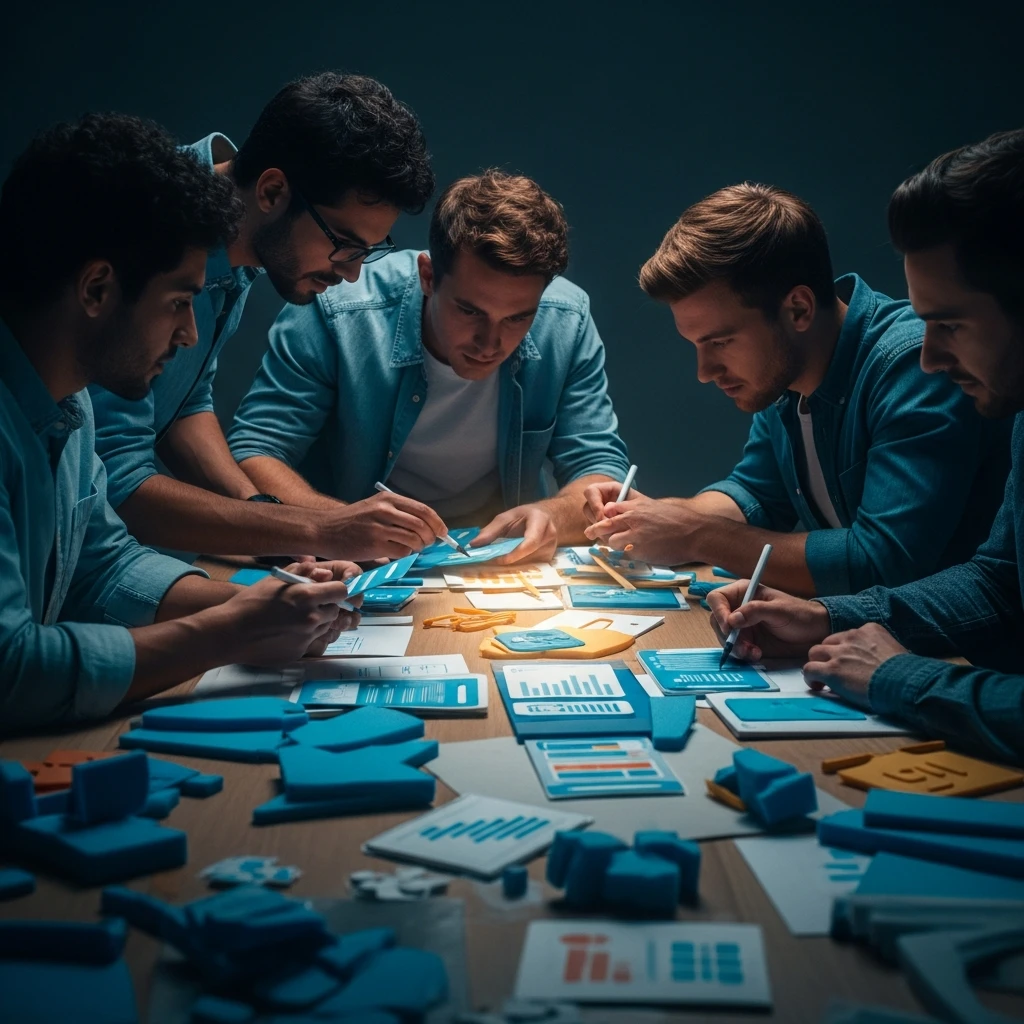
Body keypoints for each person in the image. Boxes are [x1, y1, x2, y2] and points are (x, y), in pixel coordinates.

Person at [0, 114, 359, 734]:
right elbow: (12, 670)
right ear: (96, 289)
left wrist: (267, 604)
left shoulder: (73, 407)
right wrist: (229, 632)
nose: (191, 333)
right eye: (178, 302)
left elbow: (103, 567)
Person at [707, 130, 1024, 764]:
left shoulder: (905, 363)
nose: (931, 358)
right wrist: (827, 617)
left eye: (951, 324)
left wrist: (901, 677)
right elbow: (999, 582)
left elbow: (888, 556)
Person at [582, 184, 1009, 596]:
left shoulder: (913, 365)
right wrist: (652, 516)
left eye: (721, 342)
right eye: (696, 344)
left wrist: (696, 535)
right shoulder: (785, 373)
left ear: (799, 309)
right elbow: (756, 495)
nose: (705, 371)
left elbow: (882, 562)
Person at [88, 73, 446, 562]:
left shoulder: (243, 242)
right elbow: (114, 477)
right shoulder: (150, 233)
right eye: (344, 245)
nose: (351, 273)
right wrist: (313, 529)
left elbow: (183, 405)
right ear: (273, 192)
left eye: (367, 251)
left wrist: (266, 519)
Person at [227, 170, 631, 565]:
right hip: (357, 565)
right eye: (469, 310)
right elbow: (255, 450)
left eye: (517, 318)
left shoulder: (566, 319)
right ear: (428, 276)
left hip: (495, 564)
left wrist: (552, 516)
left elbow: (600, 470)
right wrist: (336, 524)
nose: (489, 344)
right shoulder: (337, 310)